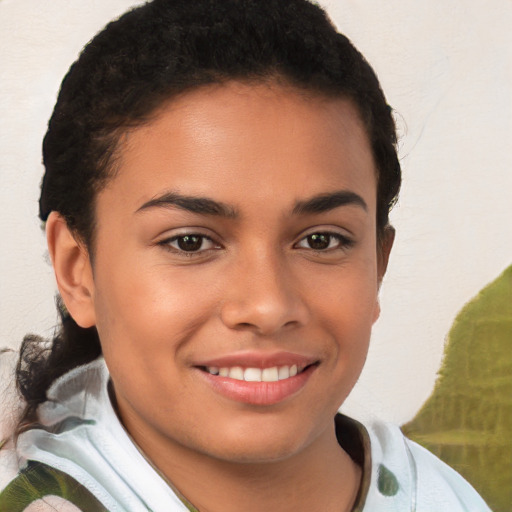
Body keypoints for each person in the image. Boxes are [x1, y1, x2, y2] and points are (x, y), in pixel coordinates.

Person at [0, 0, 491, 510]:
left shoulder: (448, 498)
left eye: (321, 240)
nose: (268, 305)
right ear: (77, 271)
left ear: (378, 268)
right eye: (190, 241)